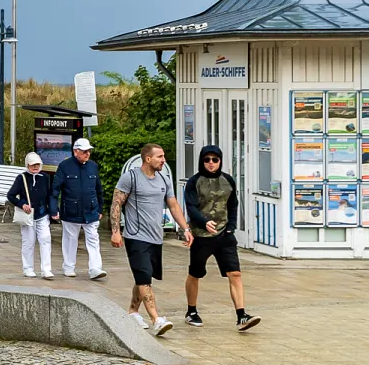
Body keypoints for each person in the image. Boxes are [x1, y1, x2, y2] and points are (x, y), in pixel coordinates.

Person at [111, 143, 193, 336]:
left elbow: (173, 206)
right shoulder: (130, 177)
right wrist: (116, 231)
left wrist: (186, 228)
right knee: (144, 277)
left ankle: (133, 312)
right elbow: (116, 204)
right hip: (135, 236)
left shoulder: (164, 179)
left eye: (163, 156)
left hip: (156, 237)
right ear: (148, 159)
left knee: (144, 278)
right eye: (160, 157)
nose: (164, 160)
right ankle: (156, 319)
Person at [182, 144, 260, 331]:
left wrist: (231, 227)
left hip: (224, 235)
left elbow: (233, 205)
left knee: (235, 274)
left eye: (215, 159)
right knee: (195, 273)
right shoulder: (194, 182)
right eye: (207, 159)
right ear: (202, 161)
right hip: (201, 236)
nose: (211, 163)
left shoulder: (228, 180)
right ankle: (191, 311)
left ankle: (241, 315)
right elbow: (191, 207)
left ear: (220, 161)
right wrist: (203, 223)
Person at [52, 138, 107, 280]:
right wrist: (53, 209)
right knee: (70, 239)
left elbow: (98, 189)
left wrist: (100, 208)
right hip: (71, 210)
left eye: (89, 151)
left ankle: (95, 268)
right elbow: (55, 189)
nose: (87, 154)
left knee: (93, 238)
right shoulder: (65, 166)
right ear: (75, 151)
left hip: (91, 209)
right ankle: (68, 267)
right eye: (84, 151)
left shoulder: (93, 166)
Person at [7, 152, 58, 279]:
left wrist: (53, 211)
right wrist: (22, 204)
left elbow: (50, 195)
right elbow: (11, 195)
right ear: (27, 165)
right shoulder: (22, 178)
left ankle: (46, 269)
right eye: (32, 165)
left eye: (37, 164)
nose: (35, 167)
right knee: (28, 242)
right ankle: (28, 268)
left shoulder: (45, 177)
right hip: (28, 215)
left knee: (45, 238)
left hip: (42, 213)